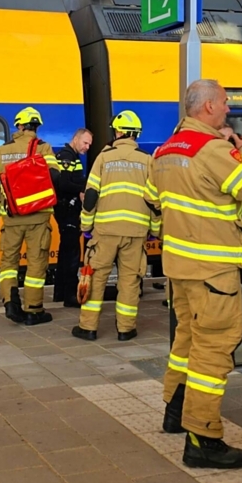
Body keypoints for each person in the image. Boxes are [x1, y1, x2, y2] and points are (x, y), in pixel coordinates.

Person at [153, 79, 242, 469]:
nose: (227, 109)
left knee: (186, 340)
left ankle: (175, 411)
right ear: (206, 107)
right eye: (223, 103)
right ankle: (203, 437)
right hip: (213, 268)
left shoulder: (166, 149)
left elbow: (155, 201)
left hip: (179, 265)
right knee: (214, 349)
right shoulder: (212, 149)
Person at [72, 111, 159, 342]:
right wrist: (156, 230)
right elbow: (155, 201)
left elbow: (90, 196)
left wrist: (86, 226)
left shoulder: (104, 157)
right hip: (136, 232)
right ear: (136, 134)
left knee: (96, 277)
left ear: (118, 132)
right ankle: (126, 329)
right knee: (130, 281)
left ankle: (88, 327)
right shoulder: (147, 159)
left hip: (105, 231)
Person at [0, 107, 60, 325]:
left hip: (11, 217)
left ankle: (10, 300)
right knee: (36, 263)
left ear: (18, 126)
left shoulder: (1, 151)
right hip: (38, 217)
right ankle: (33, 310)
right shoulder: (44, 148)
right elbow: (55, 176)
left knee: (8, 261)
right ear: (35, 127)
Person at [54, 128, 92, 308]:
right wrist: (86, 184)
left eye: (89, 144)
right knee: (71, 253)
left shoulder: (73, 156)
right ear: (75, 138)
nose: (87, 147)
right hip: (66, 209)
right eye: (85, 143)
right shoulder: (67, 156)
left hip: (67, 208)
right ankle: (69, 294)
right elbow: (64, 183)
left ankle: (59, 292)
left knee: (65, 251)